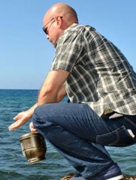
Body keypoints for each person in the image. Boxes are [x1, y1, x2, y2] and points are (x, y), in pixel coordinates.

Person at [8, 3, 136, 180]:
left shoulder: (73, 33)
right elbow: (60, 91)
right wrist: (29, 114)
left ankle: (102, 171)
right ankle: (91, 172)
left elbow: (50, 89)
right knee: (70, 106)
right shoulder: (88, 40)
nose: (46, 37)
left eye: (45, 30)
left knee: (43, 115)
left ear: (58, 21)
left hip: (119, 121)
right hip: (126, 123)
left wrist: (39, 119)